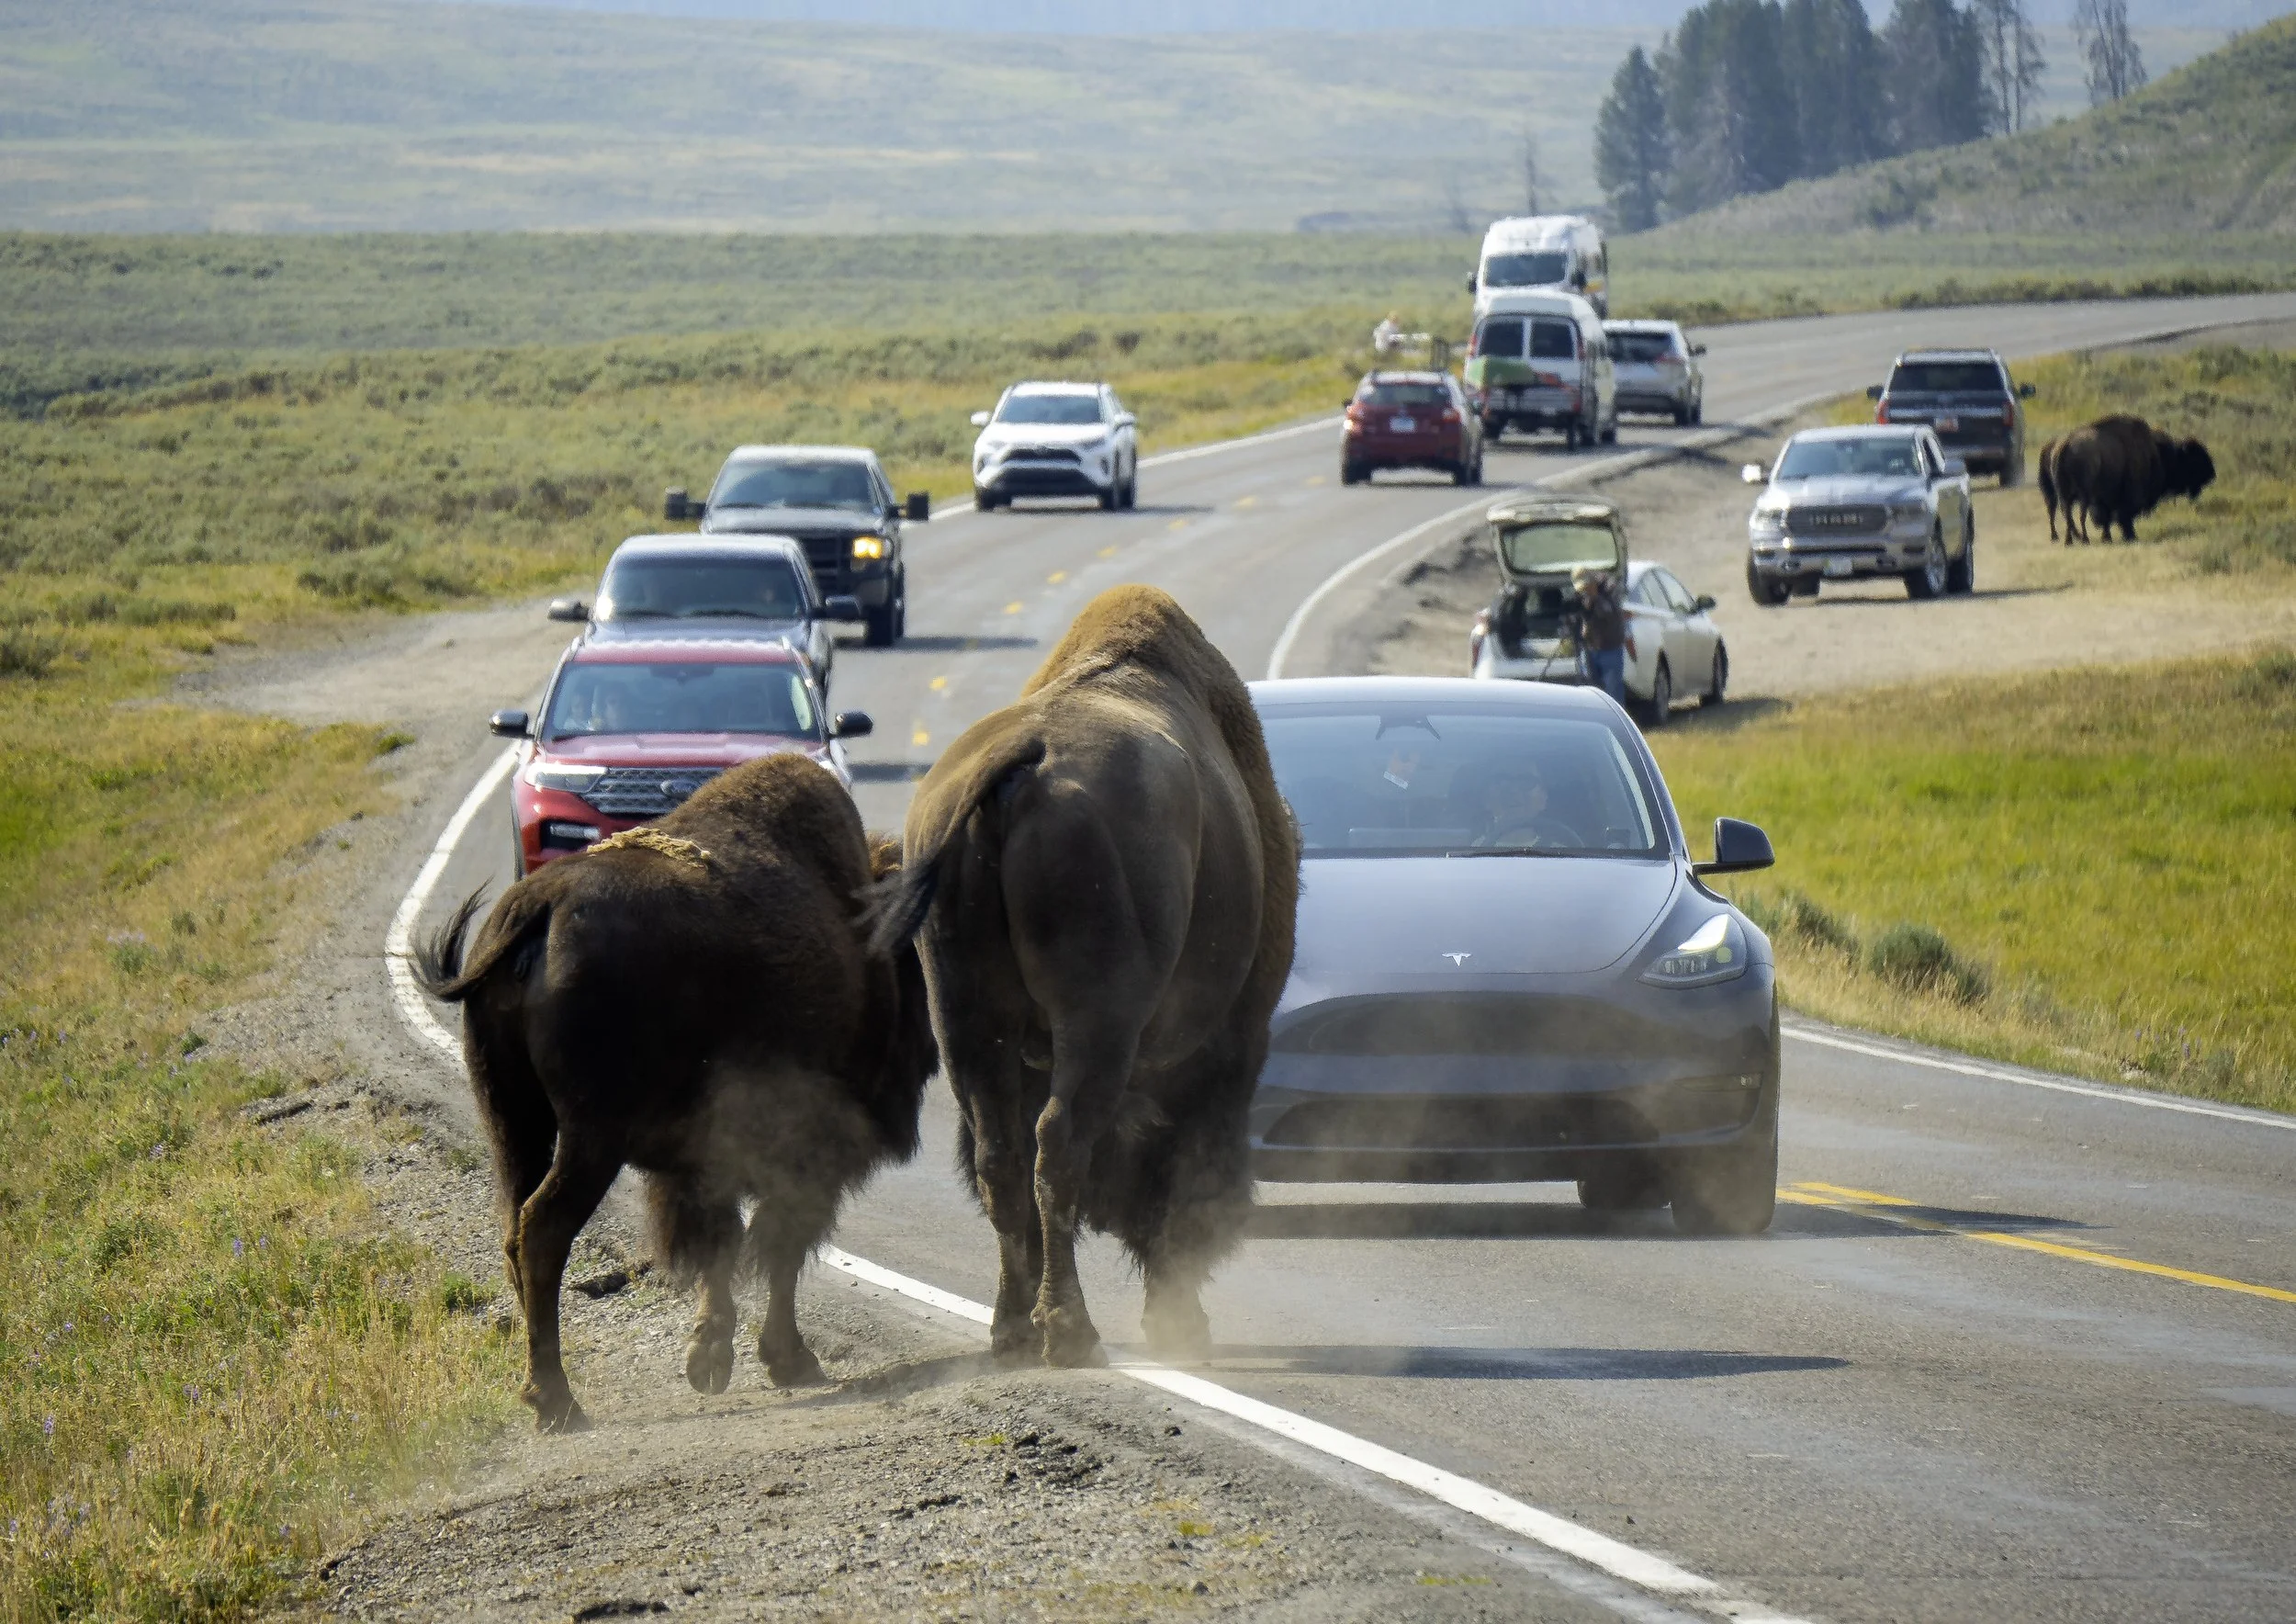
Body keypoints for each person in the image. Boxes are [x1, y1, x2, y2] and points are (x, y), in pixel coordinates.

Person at [1571, 566, 1626, 705]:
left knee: (1613, 694)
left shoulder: (1610, 590)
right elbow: (1578, 619)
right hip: (1589, 649)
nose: (1585, 590)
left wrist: (1595, 601)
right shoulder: (1579, 596)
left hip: (1610, 649)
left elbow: (1610, 614)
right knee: (1591, 692)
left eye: (1587, 586)